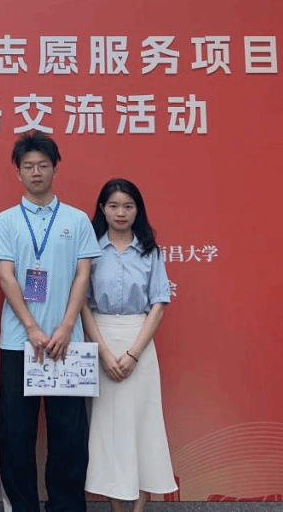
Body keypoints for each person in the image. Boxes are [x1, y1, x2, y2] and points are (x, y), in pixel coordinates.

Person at [0, 132, 101, 512]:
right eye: (28, 166)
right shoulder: (6, 221)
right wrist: (32, 328)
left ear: (55, 169)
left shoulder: (77, 220)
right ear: (18, 173)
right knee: (16, 434)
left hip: (66, 343)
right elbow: (6, 276)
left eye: (43, 165)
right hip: (19, 342)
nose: (36, 172)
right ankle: (22, 506)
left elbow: (83, 275)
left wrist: (66, 327)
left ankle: (66, 505)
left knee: (69, 434)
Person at [81, 179, 176, 512]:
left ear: (138, 210)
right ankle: (116, 507)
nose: (120, 213)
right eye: (113, 206)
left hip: (140, 341)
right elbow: (82, 303)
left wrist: (134, 353)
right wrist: (103, 353)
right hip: (101, 339)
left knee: (144, 424)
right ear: (102, 210)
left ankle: (139, 508)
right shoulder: (90, 250)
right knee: (106, 427)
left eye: (128, 206)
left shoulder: (150, 251)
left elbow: (158, 305)